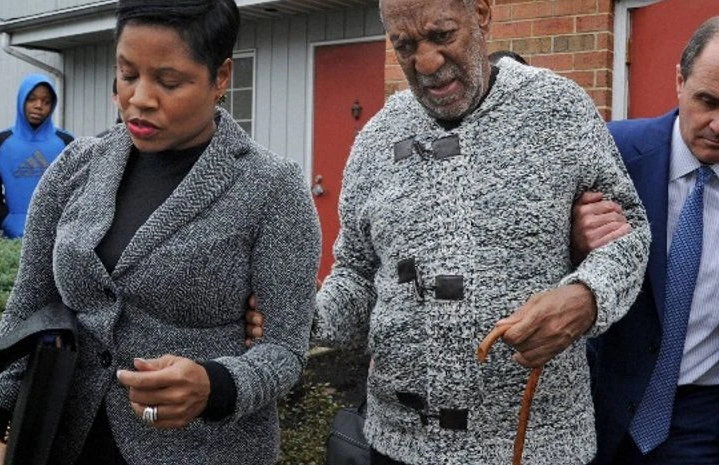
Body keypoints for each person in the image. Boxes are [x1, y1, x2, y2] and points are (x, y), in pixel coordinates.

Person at [248, 0, 649, 463]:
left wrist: (587, 297)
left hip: (534, 446)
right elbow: (357, 276)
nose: (426, 63)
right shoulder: (377, 138)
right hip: (398, 445)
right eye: (404, 46)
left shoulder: (558, 109)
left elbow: (629, 234)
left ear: (481, 12)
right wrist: (300, 317)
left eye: (442, 36)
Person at [0, 1, 320, 464]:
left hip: (205, 451)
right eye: (127, 74)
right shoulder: (75, 167)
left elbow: (285, 349)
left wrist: (216, 385)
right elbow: (29, 305)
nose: (139, 98)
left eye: (169, 81)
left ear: (221, 77)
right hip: (63, 442)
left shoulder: (271, 188)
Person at [574, 14, 719, 465]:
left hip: (703, 422)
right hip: (591, 403)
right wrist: (576, 241)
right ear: (680, 80)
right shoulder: (610, 151)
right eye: (708, 100)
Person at [0, 74, 74, 239]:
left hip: (58, 238)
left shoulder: (66, 142)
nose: (39, 106)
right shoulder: (0, 143)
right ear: (21, 100)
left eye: (46, 101)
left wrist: (65, 227)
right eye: (32, 99)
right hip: (14, 239)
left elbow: (78, 191)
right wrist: (8, 221)